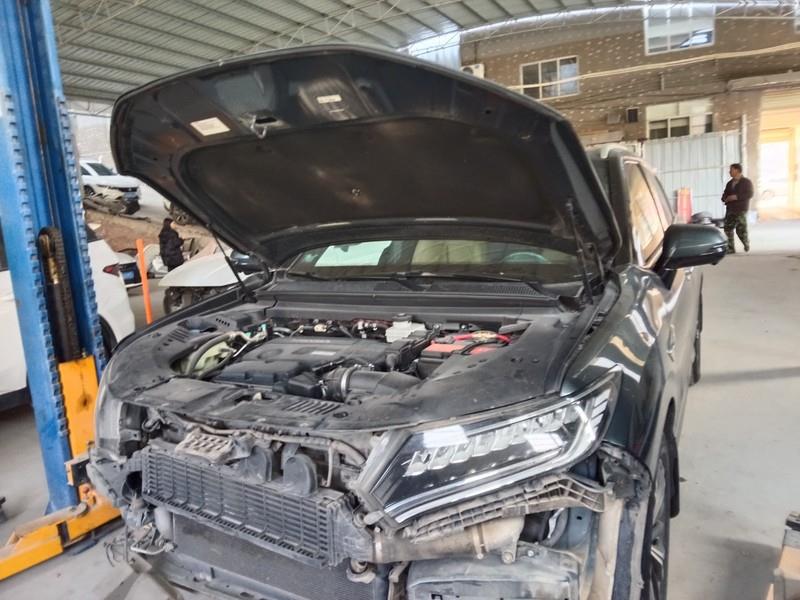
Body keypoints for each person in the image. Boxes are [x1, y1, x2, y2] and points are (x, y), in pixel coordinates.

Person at [720, 163, 753, 253]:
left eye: (731, 170)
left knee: (740, 229)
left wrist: (736, 197)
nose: (729, 172)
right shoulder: (729, 183)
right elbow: (725, 194)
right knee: (728, 228)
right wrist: (725, 198)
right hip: (730, 209)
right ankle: (730, 248)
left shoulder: (746, 182)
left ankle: (745, 242)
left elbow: (749, 194)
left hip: (741, 209)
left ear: (737, 170)